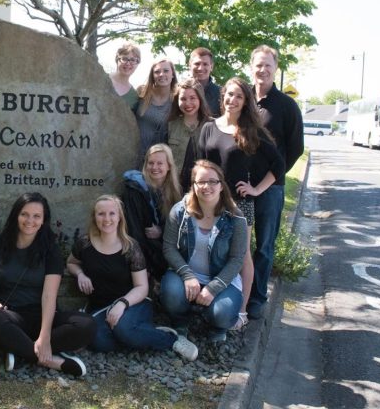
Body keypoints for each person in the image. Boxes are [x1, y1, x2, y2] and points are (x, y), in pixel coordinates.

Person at [197, 77, 284, 329]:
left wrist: (256, 189)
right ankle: (205, 302)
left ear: (246, 102)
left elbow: (278, 165)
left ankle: (242, 310)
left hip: (238, 205)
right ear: (222, 96)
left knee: (242, 255)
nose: (231, 100)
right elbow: (200, 165)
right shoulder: (209, 127)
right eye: (229, 94)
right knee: (207, 251)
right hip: (208, 203)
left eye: (238, 96)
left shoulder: (252, 131)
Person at [66, 195, 198, 360]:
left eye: (112, 213)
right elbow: (71, 262)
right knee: (99, 342)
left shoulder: (130, 247)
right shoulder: (84, 243)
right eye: (101, 214)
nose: (107, 219)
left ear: (120, 216)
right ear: (94, 217)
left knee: (123, 329)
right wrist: (80, 274)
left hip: (134, 303)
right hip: (100, 307)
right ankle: (142, 332)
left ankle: (170, 339)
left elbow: (142, 287)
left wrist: (122, 304)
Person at [0, 193, 96, 376]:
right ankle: (52, 361)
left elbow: (49, 295)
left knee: (86, 324)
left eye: (36, 216)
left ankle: (18, 350)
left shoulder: (50, 250)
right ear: (16, 215)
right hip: (11, 316)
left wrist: (45, 336)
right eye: (24, 214)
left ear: (43, 220)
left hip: (44, 315)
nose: (29, 221)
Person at [160, 160, 246, 343]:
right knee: (171, 294)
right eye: (201, 182)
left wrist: (213, 288)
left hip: (222, 279)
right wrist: (187, 275)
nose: (207, 186)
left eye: (213, 181)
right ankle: (181, 319)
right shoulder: (180, 211)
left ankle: (214, 323)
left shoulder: (236, 217)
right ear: (193, 185)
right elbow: (168, 246)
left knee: (222, 314)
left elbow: (237, 259)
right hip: (186, 274)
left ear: (221, 185)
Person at [248, 45, 304, 319]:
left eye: (268, 65)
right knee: (237, 244)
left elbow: (295, 149)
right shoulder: (242, 98)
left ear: (275, 68)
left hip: (271, 189)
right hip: (241, 187)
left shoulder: (286, 106)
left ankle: (257, 298)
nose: (263, 69)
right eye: (258, 64)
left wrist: (274, 177)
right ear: (251, 67)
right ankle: (240, 293)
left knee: (264, 245)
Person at [122, 144, 182, 285]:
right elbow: (134, 231)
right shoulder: (134, 191)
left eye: (160, 163)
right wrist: (144, 266)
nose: (154, 167)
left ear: (169, 166)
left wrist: (161, 231)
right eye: (151, 163)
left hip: (167, 254)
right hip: (144, 257)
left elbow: (181, 228)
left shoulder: (176, 192)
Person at [166, 78, 213, 191]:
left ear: (200, 99)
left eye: (192, 98)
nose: (188, 103)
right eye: (183, 99)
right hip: (175, 187)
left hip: (204, 188)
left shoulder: (213, 126)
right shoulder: (170, 126)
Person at [135, 58, 177, 159]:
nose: (162, 74)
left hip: (160, 160)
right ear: (152, 76)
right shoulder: (142, 93)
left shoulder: (177, 100)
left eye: (166, 71)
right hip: (135, 154)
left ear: (173, 74)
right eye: (157, 72)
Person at [188, 47, 221, 117]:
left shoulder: (221, 93)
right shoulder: (180, 92)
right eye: (197, 64)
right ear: (190, 66)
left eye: (205, 64)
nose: (200, 68)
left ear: (211, 67)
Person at [109, 43, 141, 112]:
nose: (128, 63)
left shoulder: (134, 96)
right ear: (117, 60)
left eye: (133, 60)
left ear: (137, 63)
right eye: (124, 59)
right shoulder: (101, 79)